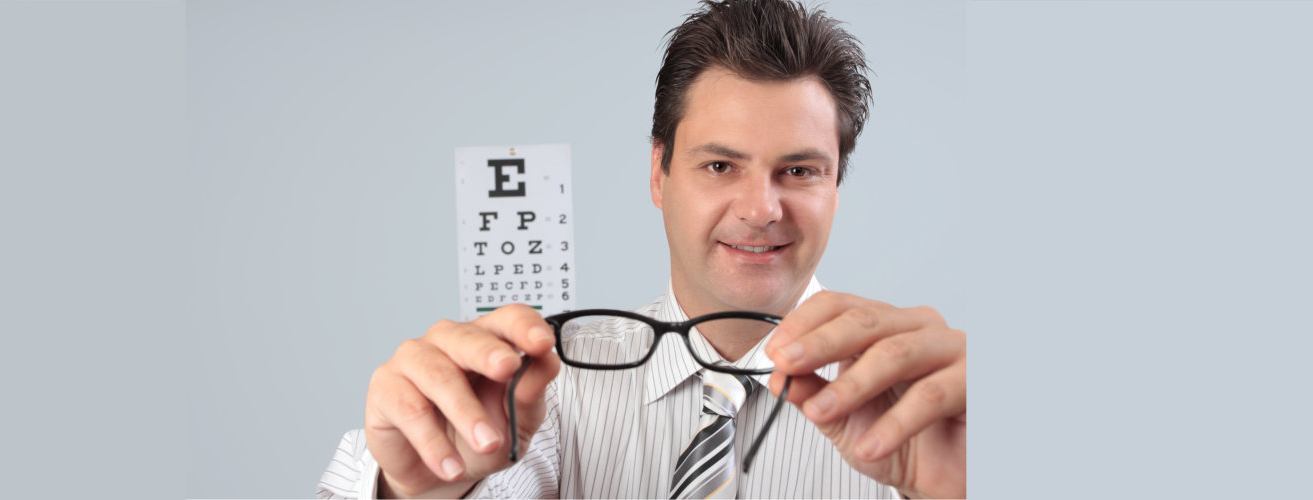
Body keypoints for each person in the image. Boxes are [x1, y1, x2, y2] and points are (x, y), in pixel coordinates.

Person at [318, 0, 966, 497]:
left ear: (836, 187)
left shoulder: (925, 417)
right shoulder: (549, 390)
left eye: (799, 171)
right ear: (659, 174)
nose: (761, 209)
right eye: (719, 166)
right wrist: (416, 488)